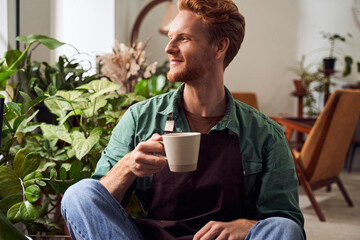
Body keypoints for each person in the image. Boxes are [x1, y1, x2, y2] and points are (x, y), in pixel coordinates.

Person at [61, 0, 305, 239]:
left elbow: (286, 221)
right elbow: (97, 205)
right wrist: (127, 168)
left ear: (220, 47)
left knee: (285, 228)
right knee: (79, 194)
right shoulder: (140, 118)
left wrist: (246, 226)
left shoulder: (265, 134)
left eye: (184, 38)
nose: (169, 48)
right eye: (170, 37)